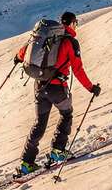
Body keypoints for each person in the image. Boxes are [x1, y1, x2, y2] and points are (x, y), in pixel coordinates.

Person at [13, 11, 100, 175]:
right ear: (72, 23)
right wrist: (91, 87)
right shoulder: (70, 42)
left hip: (39, 85)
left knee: (39, 122)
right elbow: (78, 70)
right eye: (76, 23)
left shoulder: (45, 37)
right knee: (66, 113)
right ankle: (58, 150)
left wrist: (18, 58)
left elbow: (23, 52)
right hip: (57, 87)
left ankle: (26, 162)